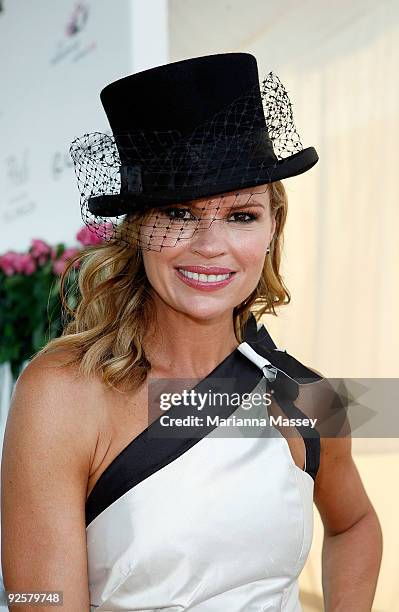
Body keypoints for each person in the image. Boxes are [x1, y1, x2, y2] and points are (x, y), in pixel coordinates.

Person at [1, 53, 382, 611]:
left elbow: (355, 525)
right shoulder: (59, 394)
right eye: (178, 215)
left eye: (241, 215)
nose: (209, 245)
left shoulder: (303, 393)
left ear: (273, 227)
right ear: (136, 229)